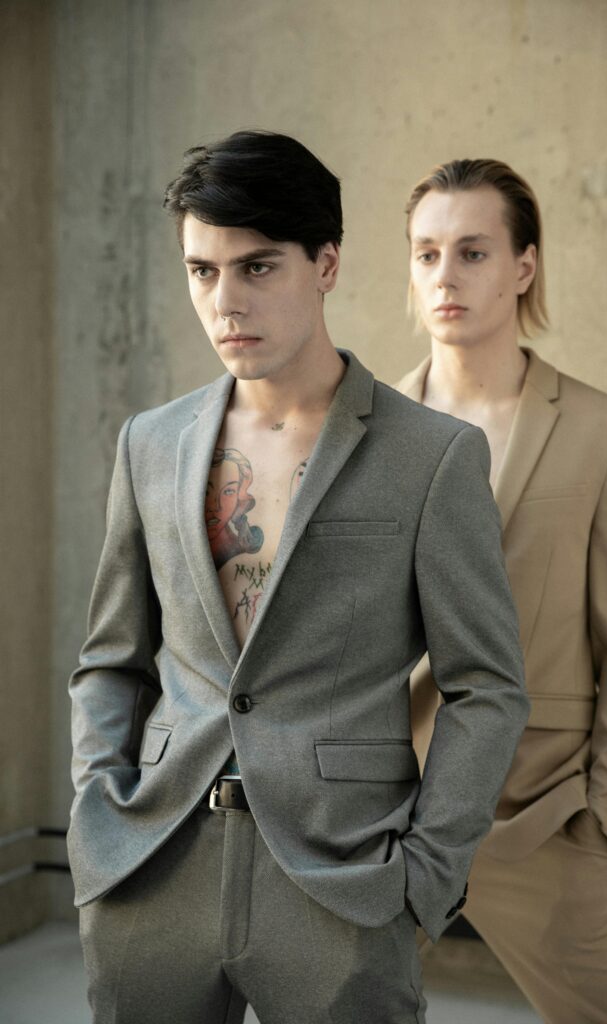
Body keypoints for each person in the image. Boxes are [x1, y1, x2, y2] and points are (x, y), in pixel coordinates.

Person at [68, 131, 529, 1024]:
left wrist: (423, 877)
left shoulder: (431, 458)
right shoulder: (149, 445)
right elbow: (111, 658)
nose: (225, 302)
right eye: (202, 271)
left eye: (256, 267)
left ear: (326, 263)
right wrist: (97, 812)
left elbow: (485, 686)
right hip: (151, 861)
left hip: (342, 879)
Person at [396, 158, 607, 1024]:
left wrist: (606, 818)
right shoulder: (359, 433)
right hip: (382, 809)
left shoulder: (606, 432)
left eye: (472, 252)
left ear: (523, 266)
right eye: (427, 253)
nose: (445, 276)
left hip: (543, 812)